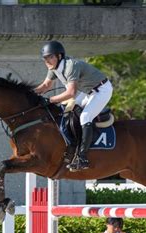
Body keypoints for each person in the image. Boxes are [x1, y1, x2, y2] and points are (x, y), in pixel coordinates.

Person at [34, 40, 113, 172]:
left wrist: (51, 100)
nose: (47, 61)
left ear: (59, 56)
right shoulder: (54, 68)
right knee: (68, 112)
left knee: (85, 117)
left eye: (50, 57)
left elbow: (71, 93)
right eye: (45, 58)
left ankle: (83, 158)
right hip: (87, 91)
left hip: (102, 89)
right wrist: (30, 94)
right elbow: (45, 86)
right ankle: (73, 147)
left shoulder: (70, 66)